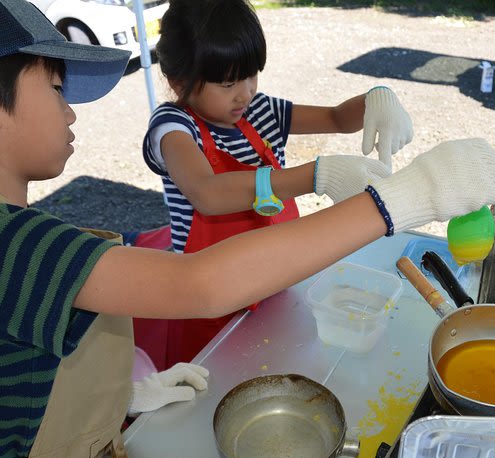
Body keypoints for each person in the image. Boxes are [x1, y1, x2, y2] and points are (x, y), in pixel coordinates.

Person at [0, 0, 495, 458]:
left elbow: (16, 368)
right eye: (54, 87)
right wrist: (405, 198)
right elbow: (200, 273)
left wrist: (115, 396)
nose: (70, 109)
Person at [138, 0, 416, 366]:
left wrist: (377, 99)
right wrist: (315, 176)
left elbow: (336, 118)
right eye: (227, 83)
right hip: (209, 296)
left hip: (275, 275)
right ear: (179, 82)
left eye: (251, 74)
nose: (245, 92)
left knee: (275, 362)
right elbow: (206, 193)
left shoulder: (261, 111)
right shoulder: (173, 126)